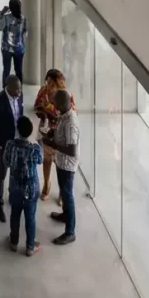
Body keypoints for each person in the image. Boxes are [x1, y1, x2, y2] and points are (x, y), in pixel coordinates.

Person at [33, 69, 76, 201]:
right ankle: (46, 184)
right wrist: (42, 112)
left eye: (52, 83)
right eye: (48, 82)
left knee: (60, 163)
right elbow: (36, 107)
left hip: (60, 133)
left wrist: (49, 107)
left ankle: (62, 191)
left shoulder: (66, 95)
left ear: (59, 83)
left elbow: (69, 114)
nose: (49, 85)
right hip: (46, 130)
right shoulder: (43, 91)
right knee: (46, 160)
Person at [4, 115, 44, 256]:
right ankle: (30, 246)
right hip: (31, 189)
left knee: (15, 215)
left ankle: (14, 242)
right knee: (30, 217)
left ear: (17, 130)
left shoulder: (10, 145)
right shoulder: (35, 149)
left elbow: (7, 163)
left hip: (15, 188)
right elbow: (40, 161)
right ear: (31, 131)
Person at [46, 88, 80, 244]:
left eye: (55, 103)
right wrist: (53, 133)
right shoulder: (64, 115)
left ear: (62, 103)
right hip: (61, 161)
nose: (54, 105)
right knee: (63, 191)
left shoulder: (71, 123)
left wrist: (53, 144)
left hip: (67, 164)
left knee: (67, 194)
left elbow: (72, 150)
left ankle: (70, 231)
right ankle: (65, 215)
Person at [0, 74, 23, 222]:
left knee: (15, 170)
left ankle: (12, 195)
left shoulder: (19, 97)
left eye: (20, 88)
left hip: (17, 141)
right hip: (5, 143)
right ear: (8, 87)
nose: (20, 92)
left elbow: (19, 116)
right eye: (17, 89)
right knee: (2, 171)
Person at [0, 0, 27, 83]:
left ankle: (5, 90)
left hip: (7, 49)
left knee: (6, 70)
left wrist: (2, 13)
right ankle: (19, 89)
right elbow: (25, 33)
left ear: (10, 7)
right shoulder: (23, 19)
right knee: (19, 71)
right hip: (19, 49)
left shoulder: (6, 18)